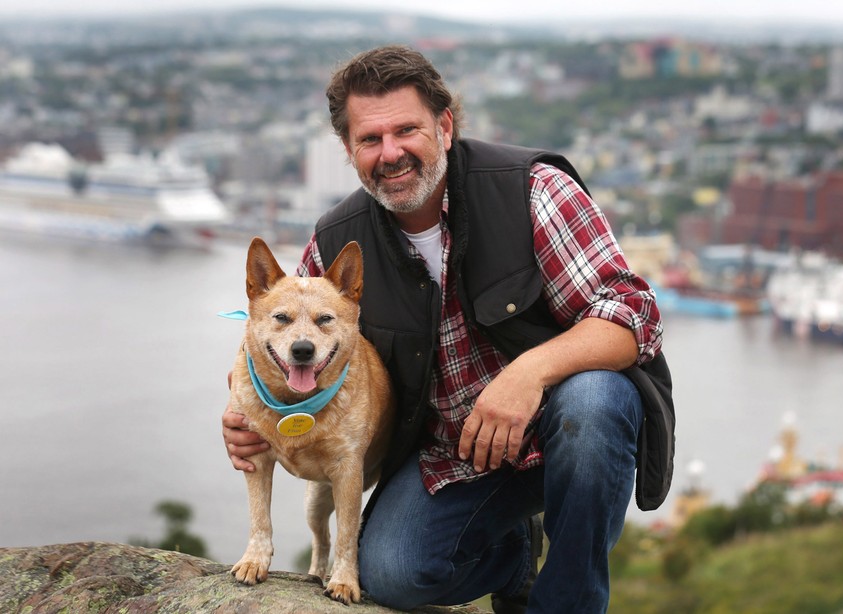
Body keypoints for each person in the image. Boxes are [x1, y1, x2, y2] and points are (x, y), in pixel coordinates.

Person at [222, 45, 664, 613]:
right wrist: (243, 409)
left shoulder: (531, 190)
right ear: (349, 150)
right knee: (390, 576)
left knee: (596, 400)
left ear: (445, 125)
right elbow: (275, 330)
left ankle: (567, 602)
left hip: (565, 433)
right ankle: (511, 559)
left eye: (407, 130)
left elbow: (634, 314)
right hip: (452, 456)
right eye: (369, 139)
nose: (391, 153)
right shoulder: (336, 241)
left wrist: (527, 375)